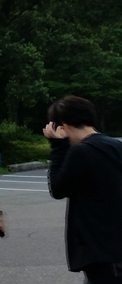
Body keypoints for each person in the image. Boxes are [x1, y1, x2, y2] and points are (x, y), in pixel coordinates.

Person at [44, 96, 122, 283]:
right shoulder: (116, 146)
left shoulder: (81, 151)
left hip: (100, 247)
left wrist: (57, 146)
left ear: (63, 127)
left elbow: (58, 189)